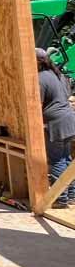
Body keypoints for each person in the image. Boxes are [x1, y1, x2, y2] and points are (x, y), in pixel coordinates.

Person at [38, 47, 75, 207]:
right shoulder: (57, 74)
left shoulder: (40, 78)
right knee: (66, 158)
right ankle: (72, 196)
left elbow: (36, 103)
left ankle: (60, 199)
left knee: (58, 160)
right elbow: (66, 96)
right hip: (68, 120)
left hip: (56, 124)